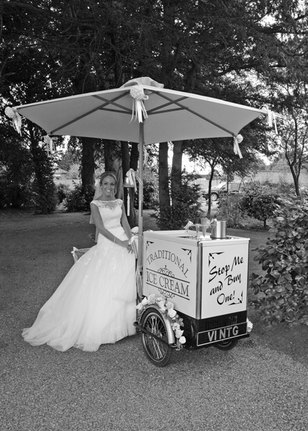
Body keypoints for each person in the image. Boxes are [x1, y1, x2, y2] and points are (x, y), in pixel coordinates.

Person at [22, 171, 136, 352]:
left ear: (115, 186)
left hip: (123, 239)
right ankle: (103, 328)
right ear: (101, 185)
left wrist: (131, 241)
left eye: (112, 184)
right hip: (109, 242)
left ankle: (126, 324)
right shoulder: (95, 204)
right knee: (106, 281)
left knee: (125, 278)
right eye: (105, 183)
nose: (109, 187)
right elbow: (101, 228)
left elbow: (125, 223)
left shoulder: (120, 202)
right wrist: (120, 242)